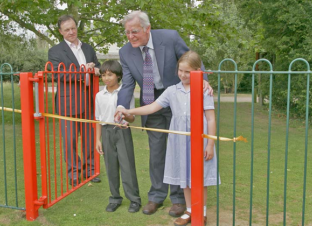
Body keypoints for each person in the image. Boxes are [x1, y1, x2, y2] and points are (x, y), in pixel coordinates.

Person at [115, 10, 212, 217]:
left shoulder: (170, 37)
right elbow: (127, 84)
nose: (130, 36)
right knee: (156, 152)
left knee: (180, 149)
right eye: (127, 33)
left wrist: (201, 78)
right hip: (152, 103)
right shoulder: (125, 52)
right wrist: (122, 108)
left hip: (178, 99)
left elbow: (192, 60)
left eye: (134, 32)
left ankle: (178, 200)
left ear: (147, 28)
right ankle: (156, 196)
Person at [48, 15, 101, 186]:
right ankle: (74, 173)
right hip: (68, 102)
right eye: (67, 30)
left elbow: (97, 66)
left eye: (73, 28)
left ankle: (91, 171)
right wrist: (84, 69)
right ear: (60, 32)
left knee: (89, 138)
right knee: (70, 140)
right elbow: (60, 75)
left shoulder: (88, 48)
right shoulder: (55, 51)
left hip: (88, 100)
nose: (71, 32)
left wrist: (97, 70)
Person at [95, 60, 141, 213]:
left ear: (118, 76)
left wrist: (125, 115)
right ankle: (115, 198)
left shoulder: (125, 92)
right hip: (107, 132)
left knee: (127, 166)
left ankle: (134, 199)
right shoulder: (99, 95)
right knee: (111, 166)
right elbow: (98, 120)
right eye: (103, 75)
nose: (106, 78)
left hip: (122, 131)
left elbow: (132, 118)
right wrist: (98, 140)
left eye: (110, 75)